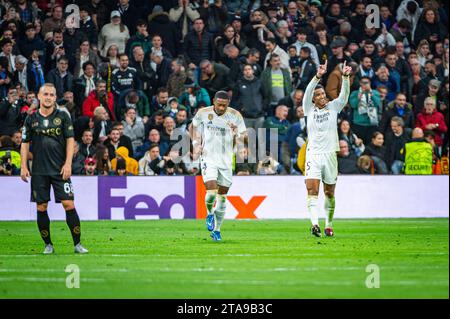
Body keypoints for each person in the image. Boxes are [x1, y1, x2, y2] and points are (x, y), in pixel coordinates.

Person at [20, 83, 88, 254]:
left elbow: (70, 140)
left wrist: (68, 164)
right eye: (46, 94)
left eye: (51, 94)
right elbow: (24, 143)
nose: (48, 97)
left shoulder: (63, 117)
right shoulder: (31, 119)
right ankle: (48, 245)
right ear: (39, 96)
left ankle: (77, 244)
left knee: (68, 204)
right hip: (39, 171)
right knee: (41, 207)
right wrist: (23, 166)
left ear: (55, 97)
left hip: (60, 170)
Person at [302, 59, 351, 237]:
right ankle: (314, 225)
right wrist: (317, 77)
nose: (322, 97)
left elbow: (343, 97)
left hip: (330, 154)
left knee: (329, 193)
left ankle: (328, 224)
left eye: (323, 94)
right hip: (313, 154)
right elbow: (307, 92)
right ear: (313, 99)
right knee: (312, 190)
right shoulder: (308, 109)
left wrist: (345, 77)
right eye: (319, 95)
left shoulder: (333, 107)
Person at [190, 91, 246, 241]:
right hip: (209, 157)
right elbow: (193, 127)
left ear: (228, 104)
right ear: (213, 101)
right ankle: (209, 214)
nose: (221, 108)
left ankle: (217, 230)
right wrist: (196, 143)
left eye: (224, 105)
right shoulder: (203, 113)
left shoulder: (235, 115)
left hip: (227, 160)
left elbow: (246, 138)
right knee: (211, 191)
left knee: (222, 197)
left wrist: (238, 133)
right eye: (219, 105)